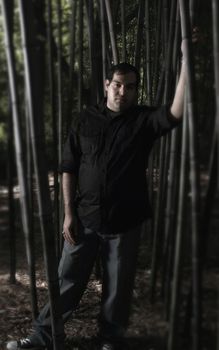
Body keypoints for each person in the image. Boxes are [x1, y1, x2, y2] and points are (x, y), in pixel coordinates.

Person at [7, 46, 186, 350]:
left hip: (125, 219)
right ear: (106, 85)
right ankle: (44, 336)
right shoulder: (85, 119)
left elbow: (175, 113)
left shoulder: (143, 120)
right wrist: (67, 212)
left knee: (117, 286)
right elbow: (68, 167)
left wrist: (184, 59)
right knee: (66, 279)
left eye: (130, 87)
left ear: (135, 90)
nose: (123, 92)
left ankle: (111, 339)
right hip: (85, 216)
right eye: (117, 84)